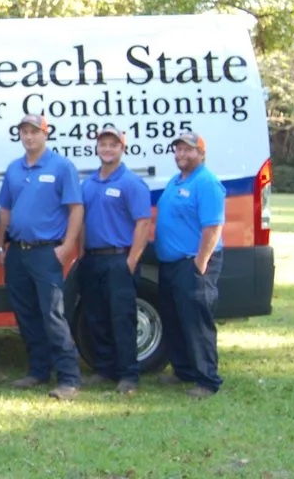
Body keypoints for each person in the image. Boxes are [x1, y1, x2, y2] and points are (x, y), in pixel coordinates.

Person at [0, 114, 83, 400]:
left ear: (45, 134)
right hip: (18, 252)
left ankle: (69, 379)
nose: (29, 136)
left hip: (47, 252)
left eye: (34, 131)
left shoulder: (61, 167)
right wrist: (0, 245)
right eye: (24, 131)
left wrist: (67, 247)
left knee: (53, 314)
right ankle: (38, 371)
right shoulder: (14, 169)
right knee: (26, 314)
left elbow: (76, 209)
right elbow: (5, 210)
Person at [79, 126, 151, 394]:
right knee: (96, 316)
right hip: (93, 259)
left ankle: (128, 376)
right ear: (97, 148)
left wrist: (131, 261)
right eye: (103, 144)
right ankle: (104, 369)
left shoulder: (131, 183)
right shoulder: (88, 184)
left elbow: (143, 224)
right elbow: (81, 220)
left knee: (122, 318)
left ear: (123, 148)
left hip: (119, 259)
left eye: (113, 144)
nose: (107, 149)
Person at [154, 131, 226, 399]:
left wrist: (200, 262)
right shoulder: (177, 180)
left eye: (189, 150)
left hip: (192, 264)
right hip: (171, 264)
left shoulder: (206, 183)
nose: (182, 154)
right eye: (179, 150)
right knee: (174, 319)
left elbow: (213, 226)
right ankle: (183, 370)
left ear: (201, 154)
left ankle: (207, 380)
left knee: (197, 322)